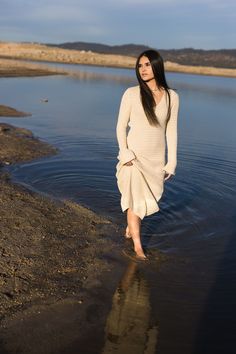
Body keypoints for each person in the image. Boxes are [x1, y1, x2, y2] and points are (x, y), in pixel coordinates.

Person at [116, 49, 179, 261]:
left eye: (147, 65)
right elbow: (120, 126)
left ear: (157, 66)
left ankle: (130, 228)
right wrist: (125, 153)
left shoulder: (172, 97)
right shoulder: (131, 93)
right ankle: (138, 247)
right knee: (134, 201)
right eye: (140, 65)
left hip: (155, 159)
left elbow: (171, 130)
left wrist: (172, 162)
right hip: (133, 157)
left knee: (143, 199)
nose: (142, 69)